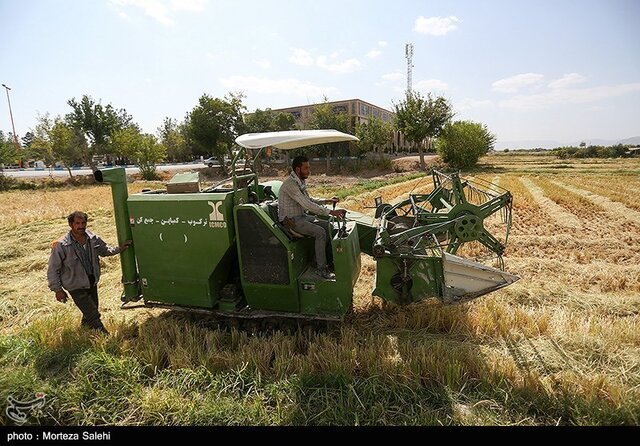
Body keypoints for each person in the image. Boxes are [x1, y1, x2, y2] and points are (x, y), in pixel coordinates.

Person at [47, 211, 132, 335]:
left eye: (83, 223)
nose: (81, 226)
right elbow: (53, 269)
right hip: (75, 285)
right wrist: (57, 290)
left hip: (91, 281)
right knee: (93, 313)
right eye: (77, 223)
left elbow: (104, 250)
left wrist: (120, 248)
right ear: (71, 224)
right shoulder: (61, 245)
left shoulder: (92, 238)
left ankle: (84, 331)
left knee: (91, 309)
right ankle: (104, 335)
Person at [278, 155, 346, 279]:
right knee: (320, 232)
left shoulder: (300, 181)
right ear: (298, 170)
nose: (309, 171)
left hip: (301, 217)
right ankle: (321, 269)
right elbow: (307, 205)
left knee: (329, 226)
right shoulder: (290, 185)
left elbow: (309, 200)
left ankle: (317, 260)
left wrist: (327, 200)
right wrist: (330, 212)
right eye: (306, 168)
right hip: (291, 222)